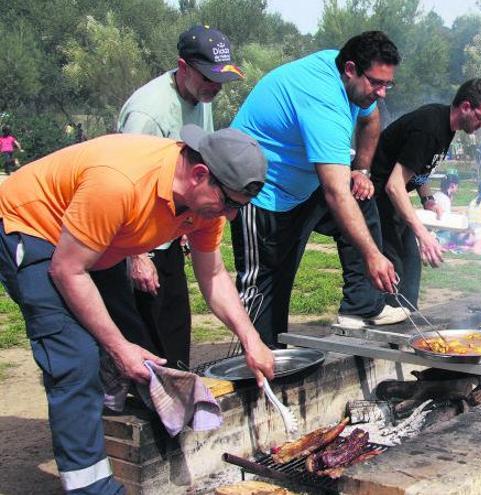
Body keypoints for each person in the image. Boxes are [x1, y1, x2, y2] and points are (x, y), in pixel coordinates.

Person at [0, 127, 275, 494]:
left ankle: (107, 432)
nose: (232, 215)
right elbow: (67, 269)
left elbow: (212, 273)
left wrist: (251, 339)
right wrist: (116, 348)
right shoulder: (120, 183)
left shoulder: (208, 204)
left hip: (98, 240)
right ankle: (91, 485)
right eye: (229, 204)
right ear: (199, 175)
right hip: (33, 228)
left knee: (132, 341)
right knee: (76, 358)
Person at [231, 31, 403, 341]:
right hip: (260, 193)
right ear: (350, 69)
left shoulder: (352, 83)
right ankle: (254, 369)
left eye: (387, 84)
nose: (381, 93)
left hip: (301, 188)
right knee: (265, 288)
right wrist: (373, 256)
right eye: (376, 83)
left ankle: (361, 306)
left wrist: (361, 169)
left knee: (361, 199)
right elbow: (335, 192)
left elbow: (371, 120)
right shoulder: (323, 99)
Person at [97, 25, 244, 370]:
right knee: (146, 334)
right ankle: (142, 407)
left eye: (220, 79)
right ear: (183, 66)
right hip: (134, 239)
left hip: (169, 230)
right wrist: (137, 257)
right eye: (209, 78)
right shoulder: (148, 113)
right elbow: (123, 183)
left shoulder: (201, 97)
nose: (216, 87)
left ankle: (175, 394)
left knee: (175, 326)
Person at [369, 78, 481, 308]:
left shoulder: (447, 127)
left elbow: (419, 168)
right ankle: (383, 327)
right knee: (394, 269)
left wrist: (427, 199)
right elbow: (394, 186)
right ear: (466, 106)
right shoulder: (429, 128)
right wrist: (424, 235)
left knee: (411, 266)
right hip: (376, 201)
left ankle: (406, 324)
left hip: (392, 203)